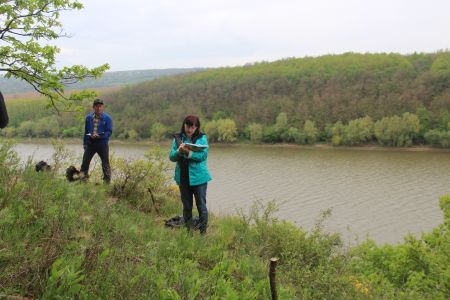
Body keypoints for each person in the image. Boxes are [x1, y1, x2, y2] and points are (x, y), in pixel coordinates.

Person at [169, 115, 212, 234]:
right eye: (188, 126)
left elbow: (203, 156)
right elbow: (171, 157)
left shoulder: (202, 138)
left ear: (196, 127)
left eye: (193, 127)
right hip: (183, 178)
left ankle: (203, 233)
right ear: (184, 125)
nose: (190, 129)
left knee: (201, 206)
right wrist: (179, 151)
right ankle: (189, 234)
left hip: (199, 178)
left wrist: (189, 153)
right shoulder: (178, 138)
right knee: (187, 207)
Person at [80, 98, 113, 183]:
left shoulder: (108, 118)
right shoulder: (88, 118)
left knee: (105, 164)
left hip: (102, 144)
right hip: (90, 143)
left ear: (103, 107)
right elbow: (86, 131)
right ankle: (83, 181)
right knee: (85, 163)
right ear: (93, 107)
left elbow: (109, 132)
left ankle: (107, 182)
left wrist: (99, 136)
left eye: (100, 106)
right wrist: (85, 143)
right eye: (97, 106)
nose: (99, 108)